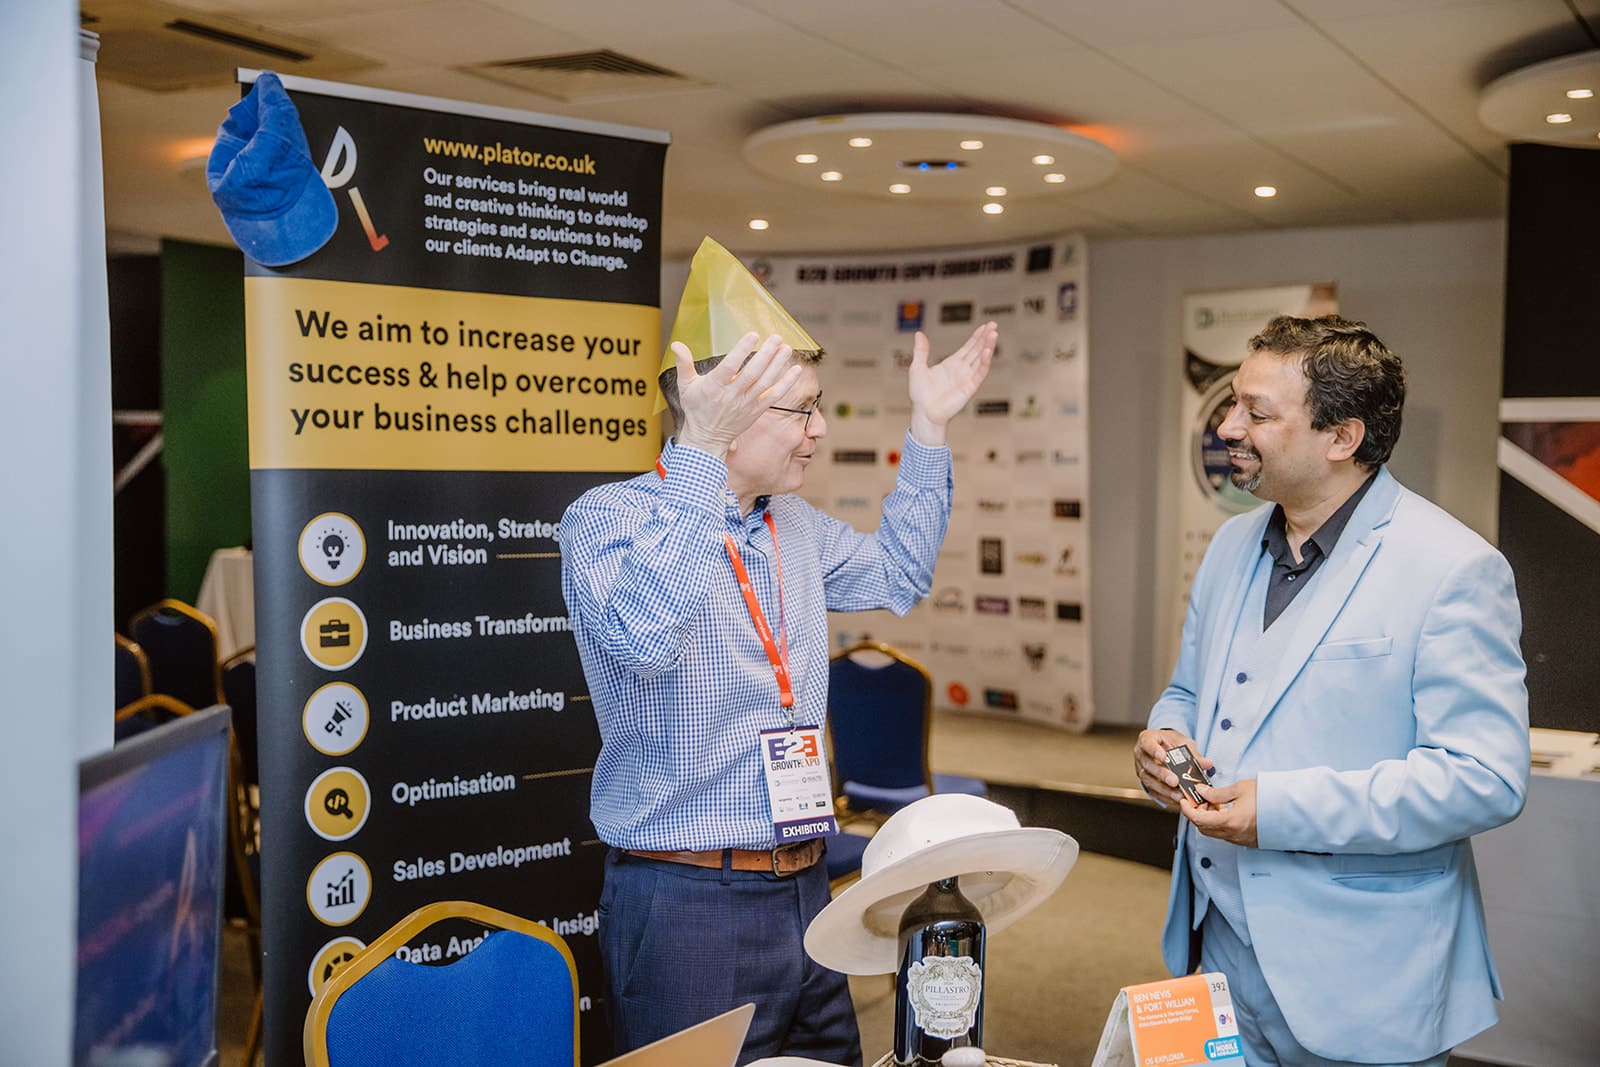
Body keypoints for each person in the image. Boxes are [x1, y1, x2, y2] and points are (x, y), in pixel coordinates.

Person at [560, 237, 995, 1065]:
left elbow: (899, 573)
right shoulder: (608, 519)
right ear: (724, 413)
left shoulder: (790, 523)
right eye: (801, 410)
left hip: (806, 886)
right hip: (688, 897)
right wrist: (698, 457)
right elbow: (644, 641)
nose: (819, 430)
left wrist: (929, 430)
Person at [1134, 314, 1529, 1067]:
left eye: (1255, 412)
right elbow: (1188, 688)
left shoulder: (1452, 568)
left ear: (1342, 437)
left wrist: (1278, 809)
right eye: (1232, 403)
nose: (1226, 426)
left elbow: (1485, 778)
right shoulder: (1229, 545)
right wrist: (1165, 736)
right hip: (1214, 951)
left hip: (1363, 974)